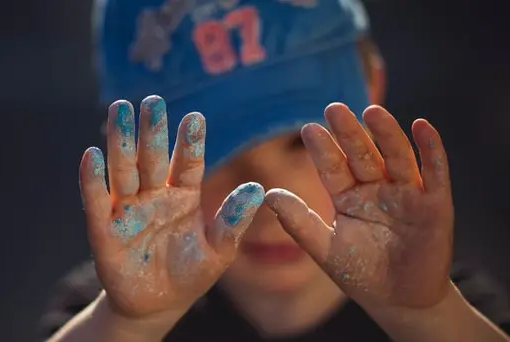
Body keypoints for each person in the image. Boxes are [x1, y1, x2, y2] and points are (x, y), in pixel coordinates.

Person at [40, 0, 510, 341]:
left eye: (300, 141)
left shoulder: (451, 316)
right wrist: (131, 327)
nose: (268, 198)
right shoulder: (108, 317)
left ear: (372, 89)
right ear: (129, 152)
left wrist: (424, 319)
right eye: (208, 152)